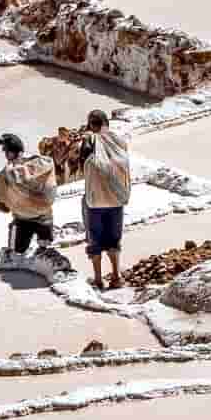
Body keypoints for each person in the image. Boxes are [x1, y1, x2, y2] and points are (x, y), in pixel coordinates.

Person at [80, 108, 131, 290]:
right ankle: (116, 277)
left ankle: (98, 279)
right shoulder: (119, 141)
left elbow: (83, 166)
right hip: (117, 199)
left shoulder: (90, 141)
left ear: (93, 125)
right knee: (114, 239)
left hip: (95, 202)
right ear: (106, 123)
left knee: (95, 240)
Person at [0, 132, 59, 256]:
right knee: (46, 253)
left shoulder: (4, 175)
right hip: (44, 217)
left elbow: (3, 207)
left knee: (15, 254)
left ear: (8, 153)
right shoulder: (44, 162)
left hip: (22, 220)